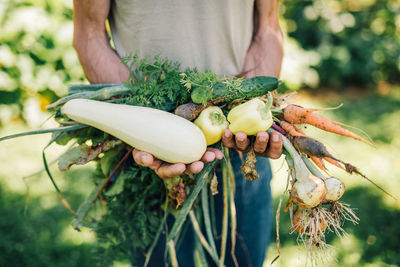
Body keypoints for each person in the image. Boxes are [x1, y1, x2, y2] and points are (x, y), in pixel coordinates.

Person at [73, 1, 283, 266]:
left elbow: (268, 29)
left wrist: (255, 107)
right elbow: (89, 34)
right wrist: (141, 126)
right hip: (145, 149)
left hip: (239, 143)